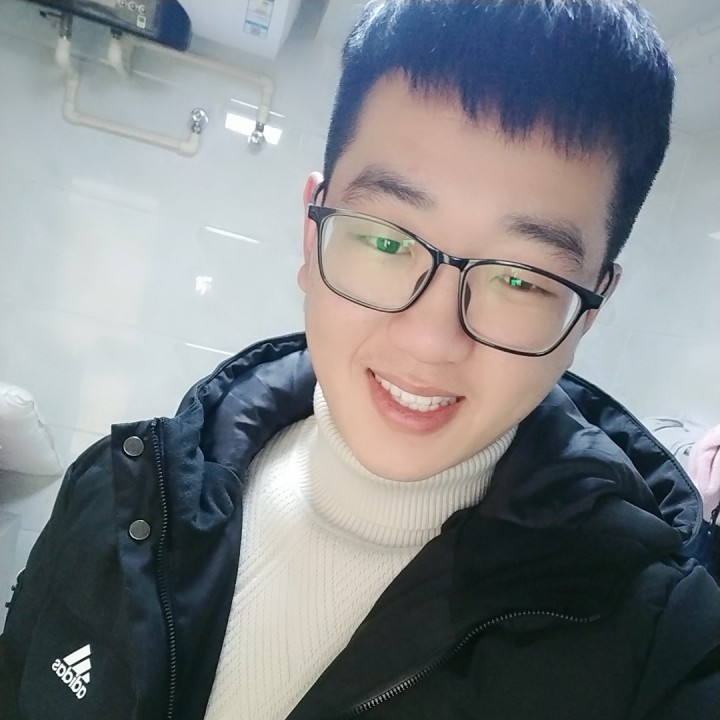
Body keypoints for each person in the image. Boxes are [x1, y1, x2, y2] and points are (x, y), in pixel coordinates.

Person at [2, 1, 719, 718]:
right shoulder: (119, 493)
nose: (431, 341)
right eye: (384, 240)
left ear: (589, 309)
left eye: (521, 280)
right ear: (311, 235)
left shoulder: (659, 653)